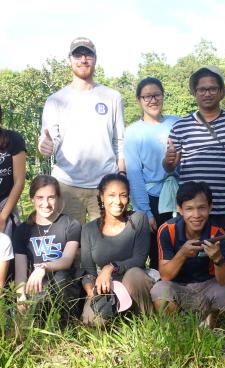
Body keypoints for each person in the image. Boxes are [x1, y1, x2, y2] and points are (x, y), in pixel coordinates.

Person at [38, 37, 125, 224]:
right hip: (66, 184)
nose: (83, 59)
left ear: (96, 59)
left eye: (88, 54)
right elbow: (48, 140)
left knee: (105, 247)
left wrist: (121, 178)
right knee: (69, 246)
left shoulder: (112, 97)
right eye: (78, 54)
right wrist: (45, 146)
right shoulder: (55, 100)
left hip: (105, 184)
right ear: (69, 59)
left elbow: (119, 142)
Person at [163, 65, 225, 232]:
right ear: (194, 92)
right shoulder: (180, 126)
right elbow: (170, 168)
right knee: (194, 256)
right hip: (193, 213)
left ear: (221, 91)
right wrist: (168, 161)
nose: (207, 94)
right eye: (202, 89)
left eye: (213, 89)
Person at [150, 182, 225, 328]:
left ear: (210, 207)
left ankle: (206, 321)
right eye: (189, 209)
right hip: (177, 286)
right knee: (159, 290)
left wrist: (217, 259)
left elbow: (224, 281)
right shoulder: (167, 230)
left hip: (208, 286)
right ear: (180, 209)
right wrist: (182, 254)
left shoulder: (218, 233)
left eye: (201, 208)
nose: (196, 215)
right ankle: (180, 325)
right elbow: (165, 276)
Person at [81, 174, 153, 325]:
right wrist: (91, 292)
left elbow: (139, 260)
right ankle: (115, 319)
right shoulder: (88, 229)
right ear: (101, 197)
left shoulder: (139, 219)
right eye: (111, 195)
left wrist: (110, 268)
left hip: (134, 281)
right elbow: (89, 272)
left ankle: (145, 321)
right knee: (91, 321)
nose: (118, 202)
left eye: (123, 195)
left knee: (135, 275)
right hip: (106, 287)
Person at [124, 77, 179, 270]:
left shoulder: (177, 123)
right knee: (159, 252)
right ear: (139, 100)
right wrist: (145, 212)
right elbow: (134, 174)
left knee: (183, 245)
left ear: (163, 96)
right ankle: (161, 296)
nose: (152, 100)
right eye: (146, 96)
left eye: (156, 95)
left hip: (180, 196)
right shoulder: (132, 132)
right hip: (153, 198)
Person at [13, 175, 81, 315]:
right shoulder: (22, 231)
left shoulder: (71, 225)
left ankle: (67, 325)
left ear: (58, 198)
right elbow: (20, 273)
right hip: (38, 288)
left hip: (65, 287)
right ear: (32, 198)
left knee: (61, 277)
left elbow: (67, 260)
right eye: (40, 197)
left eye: (51, 197)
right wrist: (21, 298)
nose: (46, 203)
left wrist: (43, 267)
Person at [0, 103, 26, 236]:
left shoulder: (13, 139)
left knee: (7, 251)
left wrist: (3, 217)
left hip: (6, 204)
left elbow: (19, 181)